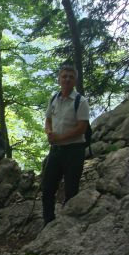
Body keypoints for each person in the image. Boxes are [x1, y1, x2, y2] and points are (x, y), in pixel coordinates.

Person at [41, 65, 90, 225]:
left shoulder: (80, 101)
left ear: (75, 80)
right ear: (59, 79)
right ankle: (48, 222)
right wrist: (49, 132)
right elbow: (48, 120)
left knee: (71, 190)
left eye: (70, 76)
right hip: (56, 150)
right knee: (47, 187)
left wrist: (60, 137)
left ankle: (68, 225)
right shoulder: (54, 98)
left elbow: (82, 128)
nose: (67, 79)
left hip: (74, 151)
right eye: (64, 76)